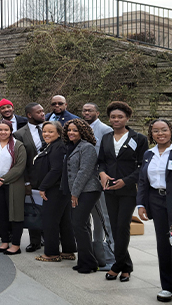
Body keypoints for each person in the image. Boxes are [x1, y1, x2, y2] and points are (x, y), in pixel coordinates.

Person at [98, 102, 148, 281]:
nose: (116, 120)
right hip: (109, 189)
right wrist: (102, 173)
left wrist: (126, 181)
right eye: (113, 117)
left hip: (128, 190)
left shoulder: (139, 138)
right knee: (113, 226)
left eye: (120, 117)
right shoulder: (106, 137)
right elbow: (101, 161)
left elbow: (143, 166)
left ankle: (118, 265)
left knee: (122, 227)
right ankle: (125, 266)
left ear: (127, 118)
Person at [137, 119, 172, 302]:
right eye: (156, 131)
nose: (160, 134)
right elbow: (143, 181)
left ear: (170, 131)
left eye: (164, 130)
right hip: (156, 201)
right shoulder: (148, 154)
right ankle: (167, 287)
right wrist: (141, 204)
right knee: (164, 244)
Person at [62, 118, 102, 274]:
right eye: (69, 130)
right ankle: (87, 261)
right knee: (82, 225)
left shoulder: (87, 148)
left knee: (78, 225)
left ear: (82, 132)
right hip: (77, 190)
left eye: (75, 130)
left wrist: (74, 193)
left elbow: (84, 172)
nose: (71, 133)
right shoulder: (72, 146)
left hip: (88, 190)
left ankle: (89, 262)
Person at [0, 120, 27, 255]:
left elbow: (20, 167)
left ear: (11, 130)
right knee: (0, 214)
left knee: (15, 214)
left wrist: (3, 179)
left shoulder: (18, 146)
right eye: (0, 130)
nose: (3, 132)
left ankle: (16, 244)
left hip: (13, 185)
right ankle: (5, 241)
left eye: (6, 130)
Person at [35, 121, 76, 263]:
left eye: (50, 131)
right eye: (44, 131)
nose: (46, 134)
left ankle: (51, 253)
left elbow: (56, 170)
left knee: (50, 221)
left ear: (59, 133)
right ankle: (68, 251)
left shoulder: (58, 147)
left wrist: (43, 186)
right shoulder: (53, 146)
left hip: (55, 189)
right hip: (60, 189)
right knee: (65, 221)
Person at [81, 102, 115, 270]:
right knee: (89, 219)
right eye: (84, 110)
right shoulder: (79, 128)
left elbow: (108, 157)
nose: (86, 113)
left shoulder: (106, 130)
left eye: (90, 110)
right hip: (85, 183)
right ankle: (95, 254)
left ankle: (110, 256)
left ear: (97, 112)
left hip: (100, 180)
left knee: (104, 219)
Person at [12, 102, 45, 252]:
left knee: (51, 210)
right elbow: (20, 162)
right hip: (32, 178)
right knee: (34, 208)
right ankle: (35, 241)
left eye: (43, 111)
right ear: (29, 115)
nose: (42, 114)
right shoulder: (19, 134)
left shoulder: (51, 128)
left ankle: (52, 240)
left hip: (51, 177)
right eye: (38, 112)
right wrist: (25, 182)